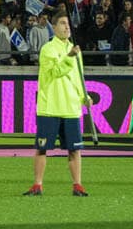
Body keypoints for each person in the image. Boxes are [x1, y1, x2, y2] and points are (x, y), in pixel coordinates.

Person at [24, 13, 90, 197]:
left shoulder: (75, 50)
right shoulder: (48, 49)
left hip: (71, 107)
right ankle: (37, 185)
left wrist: (84, 96)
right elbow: (55, 72)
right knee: (42, 148)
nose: (67, 27)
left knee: (74, 149)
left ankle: (78, 185)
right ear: (53, 27)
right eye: (62, 23)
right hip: (50, 107)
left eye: (68, 24)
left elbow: (78, 77)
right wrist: (69, 57)